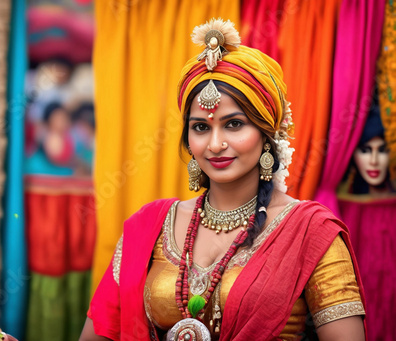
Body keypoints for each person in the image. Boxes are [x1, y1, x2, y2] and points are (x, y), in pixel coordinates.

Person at [80, 19, 366, 341]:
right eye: (201, 127)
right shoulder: (151, 226)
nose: (215, 144)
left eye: (234, 125)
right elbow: (100, 332)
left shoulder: (311, 232)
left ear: (267, 133)